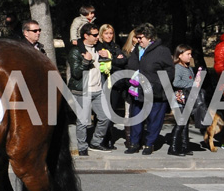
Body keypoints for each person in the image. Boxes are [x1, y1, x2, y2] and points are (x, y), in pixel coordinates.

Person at [124, 23, 174, 155]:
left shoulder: (162, 51)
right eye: (137, 38)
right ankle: (134, 143)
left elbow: (169, 71)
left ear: (149, 37)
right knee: (136, 117)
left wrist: (158, 84)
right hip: (138, 90)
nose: (138, 41)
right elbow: (131, 65)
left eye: (141, 38)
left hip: (156, 92)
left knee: (154, 119)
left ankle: (149, 143)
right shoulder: (137, 50)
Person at [68, 23, 113, 155]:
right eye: (94, 35)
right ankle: (82, 148)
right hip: (83, 91)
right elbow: (76, 73)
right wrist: (86, 61)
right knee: (83, 121)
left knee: (105, 117)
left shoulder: (99, 48)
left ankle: (95, 143)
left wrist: (107, 56)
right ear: (85, 36)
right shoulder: (76, 51)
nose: (97, 37)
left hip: (98, 90)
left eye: (97, 34)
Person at [95, 24, 127, 149]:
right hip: (105, 83)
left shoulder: (115, 46)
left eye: (111, 33)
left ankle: (109, 138)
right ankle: (102, 140)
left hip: (116, 84)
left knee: (112, 112)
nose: (109, 36)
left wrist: (110, 58)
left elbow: (124, 60)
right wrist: (115, 59)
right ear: (101, 34)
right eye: (106, 33)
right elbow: (105, 64)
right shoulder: (99, 47)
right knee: (105, 113)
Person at [167, 45, 196, 157]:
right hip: (179, 98)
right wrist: (192, 84)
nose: (190, 56)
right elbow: (176, 83)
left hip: (187, 98)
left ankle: (185, 146)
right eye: (188, 54)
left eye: (190, 54)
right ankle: (173, 147)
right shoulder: (178, 67)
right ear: (180, 55)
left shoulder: (187, 67)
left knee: (185, 123)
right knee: (180, 122)